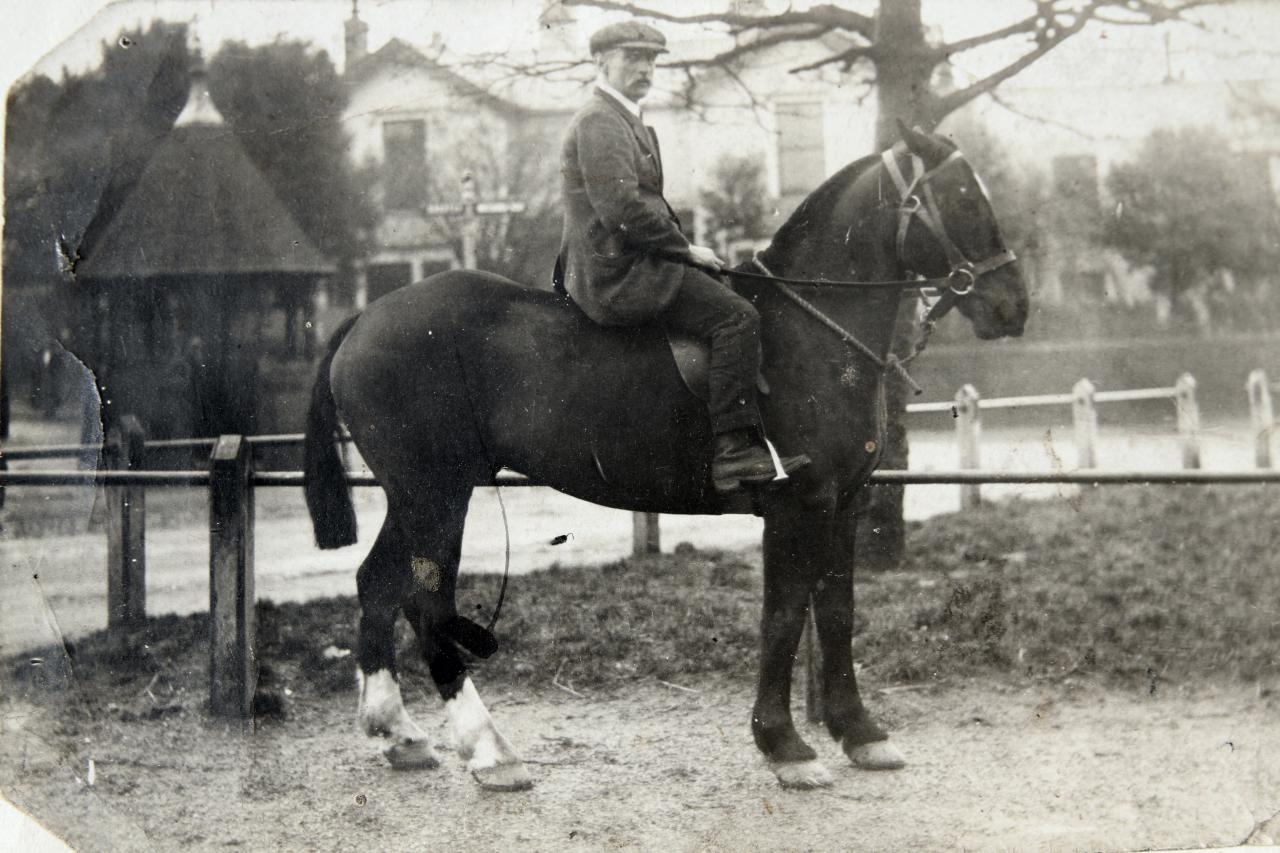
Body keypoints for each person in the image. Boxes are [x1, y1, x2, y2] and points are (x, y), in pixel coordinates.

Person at [554, 20, 809, 495]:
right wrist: (686, 249)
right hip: (616, 271)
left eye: (650, 59)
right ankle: (734, 451)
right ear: (601, 62)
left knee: (732, 291)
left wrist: (686, 252)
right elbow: (622, 210)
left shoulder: (626, 119)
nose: (644, 68)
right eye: (632, 57)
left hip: (632, 261)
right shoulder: (599, 120)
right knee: (737, 317)